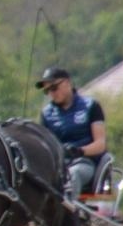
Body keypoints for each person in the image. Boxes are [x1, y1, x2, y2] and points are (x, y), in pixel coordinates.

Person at [37, 66, 106, 196]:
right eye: (47, 91)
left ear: (67, 83)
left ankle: (68, 212)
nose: (51, 93)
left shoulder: (91, 106)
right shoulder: (46, 114)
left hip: (84, 162)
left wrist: (79, 151)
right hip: (57, 165)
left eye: (54, 88)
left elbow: (100, 144)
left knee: (72, 175)